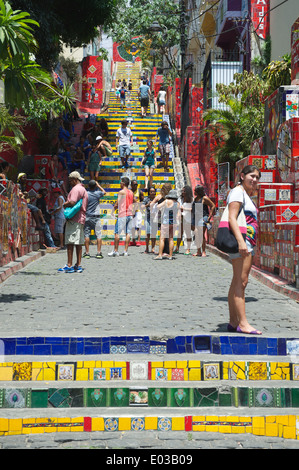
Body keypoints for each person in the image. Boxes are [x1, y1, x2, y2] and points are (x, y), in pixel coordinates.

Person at [226, 165, 262, 335]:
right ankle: (243, 323)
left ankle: (233, 321)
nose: (254, 180)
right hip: (243, 242)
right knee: (242, 282)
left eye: (257, 177)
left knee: (237, 281)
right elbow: (232, 218)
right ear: (242, 176)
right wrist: (241, 242)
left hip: (247, 242)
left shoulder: (244, 194)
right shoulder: (237, 192)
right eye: (252, 176)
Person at [58, 171, 88, 273]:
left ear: (75, 180)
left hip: (74, 219)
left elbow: (72, 202)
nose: (70, 183)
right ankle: (78, 264)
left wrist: (65, 204)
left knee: (70, 242)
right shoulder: (83, 189)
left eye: (70, 181)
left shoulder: (76, 189)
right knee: (78, 243)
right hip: (80, 218)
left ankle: (69, 265)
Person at [108, 176, 136, 257]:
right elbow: (135, 201)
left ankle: (116, 251)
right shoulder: (131, 192)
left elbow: (117, 204)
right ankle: (125, 251)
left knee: (117, 233)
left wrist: (112, 211)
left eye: (120, 183)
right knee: (128, 233)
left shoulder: (121, 192)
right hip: (130, 214)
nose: (120, 184)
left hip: (122, 214)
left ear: (123, 183)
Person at [154, 189, 180, 260]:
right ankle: (170, 255)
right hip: (173, 222)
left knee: (162, 238)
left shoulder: (166, 201)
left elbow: (158, 207)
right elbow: (179, 214)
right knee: (171, 239)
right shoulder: (177, 203)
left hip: (165, 222)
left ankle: (160, 254)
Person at [83, 180, 106, 259]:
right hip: (96, 217)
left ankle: (87, 253)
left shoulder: (86, 194)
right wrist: (98, 185)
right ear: (95, 186)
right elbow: (104, 192)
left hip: (88, 216)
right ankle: (99, 252)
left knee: (86, 235)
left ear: (89, 186)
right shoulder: (97, 193)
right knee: (98, 235)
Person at [191, 185, 216, 257]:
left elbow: (213, 205)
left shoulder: (204, 198)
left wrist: (209, 216)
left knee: (201, 234)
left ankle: (203, 251)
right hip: (196, 218)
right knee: (197, 234)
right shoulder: (195, 199)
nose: (194, 192)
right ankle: (198, 251)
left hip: (203, 218)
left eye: (195, 190)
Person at [175, 185, 193, 255]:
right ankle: (177, 248)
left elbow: (193, 209)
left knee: (188, 233)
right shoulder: (180, 199)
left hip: (188, 218)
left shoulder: (191, 200)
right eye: (182, 191)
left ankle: (188, 249)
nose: (183, 192)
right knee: (180, 233)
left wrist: (184, 209)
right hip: (181, 217)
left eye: (184, 191)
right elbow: (178, 206)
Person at [141, 186, 157, 254]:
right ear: (149, 192)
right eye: (151, 191)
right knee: (147, 233)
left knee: (154, 234)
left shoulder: (157, 199)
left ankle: (153, 248)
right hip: (147, 218)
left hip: (155, 218)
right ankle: (147, 248)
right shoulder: (146, 199)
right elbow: (141, 207)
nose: (152, 193)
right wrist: (148, 204)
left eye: (153, 191)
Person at [130, 179, 144, 247]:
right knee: (132, 226)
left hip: (138, 210)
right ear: (131, 185)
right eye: (134, 184)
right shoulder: (129, 192)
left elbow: (142, 200)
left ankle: (138, 240)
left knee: (138, 226)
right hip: (131, 210)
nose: (136, 186)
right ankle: (133, 240)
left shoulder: (139, 191)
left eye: (136, 184)